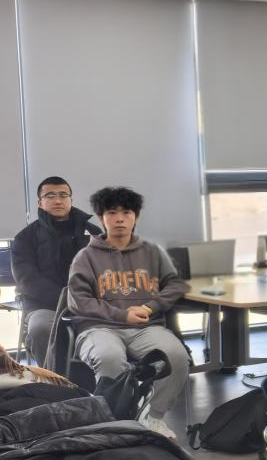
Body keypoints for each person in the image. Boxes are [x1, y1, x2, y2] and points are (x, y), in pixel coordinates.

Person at [67, 187, 190, 440]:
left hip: (146, 327)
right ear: (101, 218)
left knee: (176, 356)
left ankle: (152, 418)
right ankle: (116, 421)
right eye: (112, 213)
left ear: (136, 217)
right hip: (98, 328)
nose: (120, 219)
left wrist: (148, 307)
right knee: (109, 357)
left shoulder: (153, 252)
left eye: (127, 213)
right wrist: (122, 316)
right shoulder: (85, 257)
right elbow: (79, 301)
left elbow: (175, 285)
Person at [11, 175, 101, 366]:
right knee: (42, 329)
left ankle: (104, 381)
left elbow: (107, 271)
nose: (58, 200)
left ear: (71, 199)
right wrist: (68, 300)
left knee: (115, 326)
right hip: (44, 305)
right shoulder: (25, 238)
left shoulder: (94, 233)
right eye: (50, 196)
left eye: (63, 195)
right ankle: (53, 381)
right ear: (40, 202)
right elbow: (28, 280)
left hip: (90, 304)